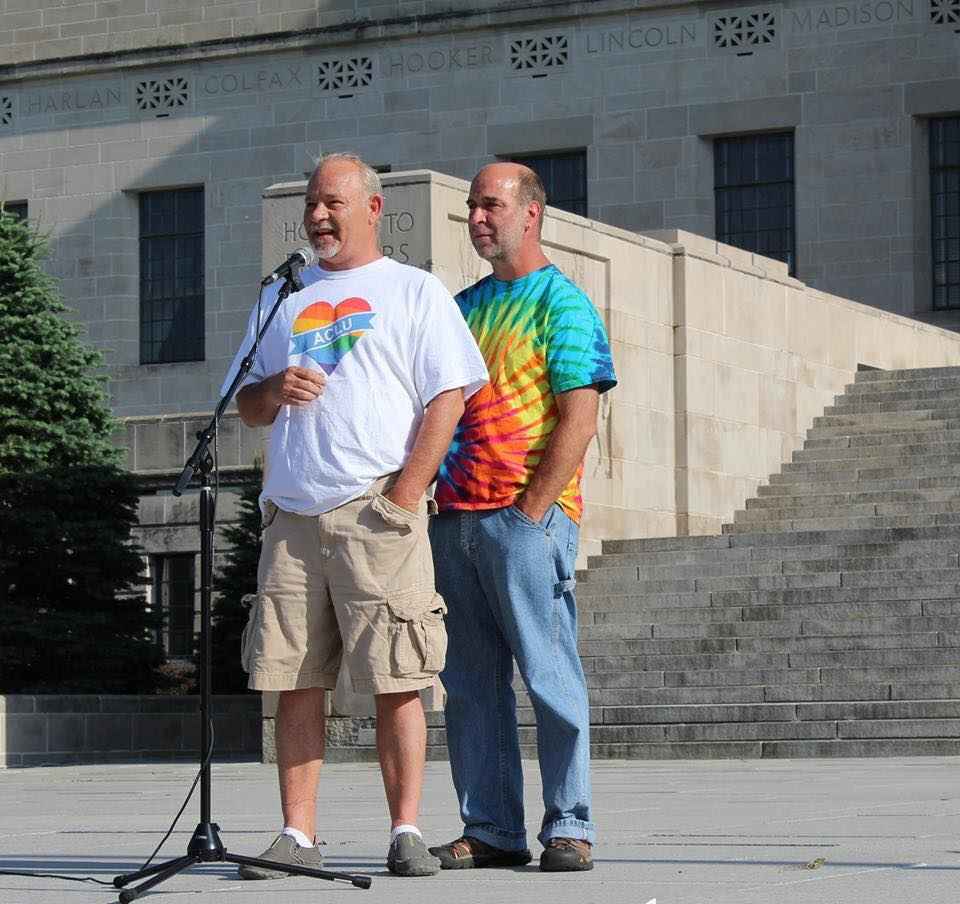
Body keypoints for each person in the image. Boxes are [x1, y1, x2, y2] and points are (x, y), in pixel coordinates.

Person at [224, 153, 488, 879]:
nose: (317, 216)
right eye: (312, 203)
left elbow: (449, 397)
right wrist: (275, 387)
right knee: (294, 677)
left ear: (373, 209)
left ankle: (406, 830)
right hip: (293, 517)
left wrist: (406, 493)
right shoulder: (282, 294)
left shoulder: (413, 291)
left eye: (333, 203)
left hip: (376, 511)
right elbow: (244, 404)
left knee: (396, 675)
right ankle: (296, 835)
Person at [428, 163, 617, 873]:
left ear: (531, 213)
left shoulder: (562, 304)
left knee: (550, 675)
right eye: (473, 206)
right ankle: (493, 829)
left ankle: (570, 825)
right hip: (455, 522)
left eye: (491, 205)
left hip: (525, 522)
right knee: (471, 688)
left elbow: (580, 416)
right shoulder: (460, 307)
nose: (478, 217)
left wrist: (533, 510)